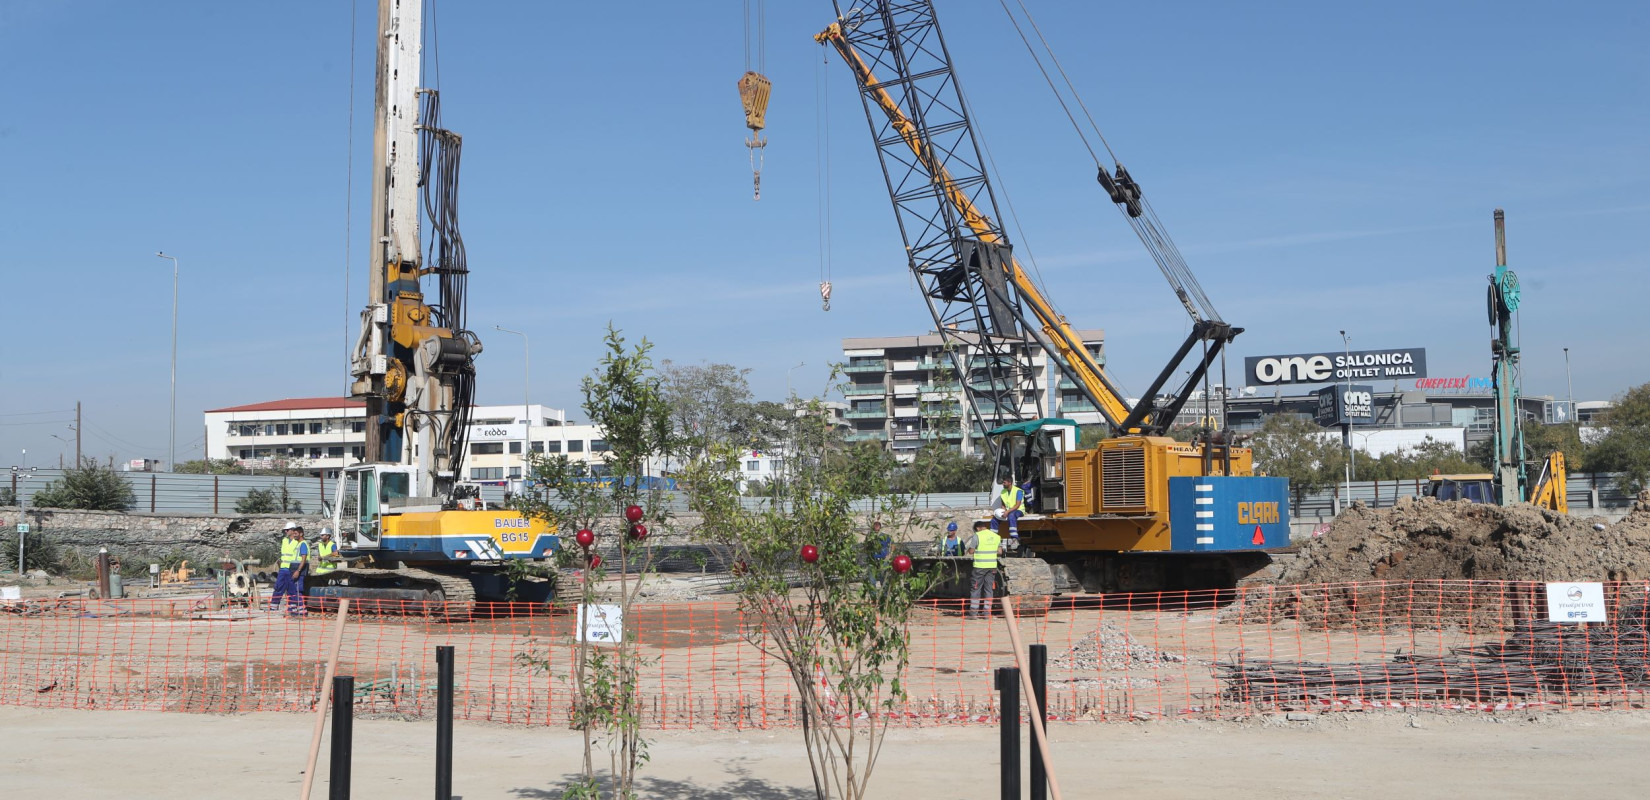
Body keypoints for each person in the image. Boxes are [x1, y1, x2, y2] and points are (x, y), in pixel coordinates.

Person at [269, 521, 310, 616]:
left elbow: (302, 557)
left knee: (293, 590)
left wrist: (298, 570)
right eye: (285, 530)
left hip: (292, 569)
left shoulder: (298, 542)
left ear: (292, 530)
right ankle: (273, 607)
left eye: (287, 530)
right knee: (278, 587)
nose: (285, 532)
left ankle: (293, 609)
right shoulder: (284, 540)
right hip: (283, 568)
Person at [966, 520, 1002, 619]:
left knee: (976, 589)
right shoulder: (996, 536)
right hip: (992, 567)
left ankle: (973, 613)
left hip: (980, 566)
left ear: (977, 528)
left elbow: (971, 551)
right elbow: (999, 551)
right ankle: (986, 613)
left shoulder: (977, 535)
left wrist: (970, 549)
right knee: (989, 589)